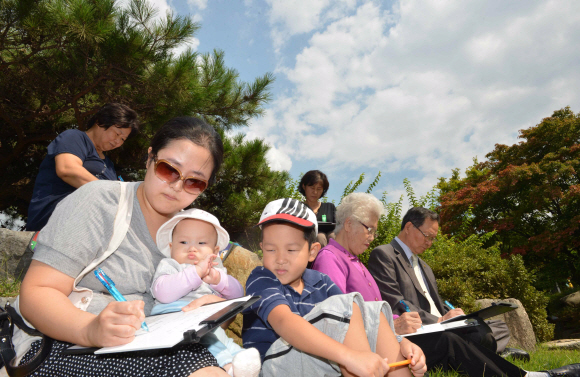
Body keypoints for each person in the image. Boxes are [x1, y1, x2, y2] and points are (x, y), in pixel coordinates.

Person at [17, 116, 231, 376]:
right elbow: (38, 292)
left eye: (194, 182)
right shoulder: (100, 202)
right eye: (168, 169)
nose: (176, 186)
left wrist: (213, 310)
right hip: (61, 343)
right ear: (150, 158)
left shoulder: (195, 233)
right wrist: (91, 329)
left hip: (155, 346)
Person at [313, 194, 580, 377]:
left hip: (390, 337)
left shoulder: (355, 261)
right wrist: (393, 326)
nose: (373, 236)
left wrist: (398, 320)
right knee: (447, 340)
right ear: (348, 224)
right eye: (369, 228)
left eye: (374, 230)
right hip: (375, 344)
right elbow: (341, 317)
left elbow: (380, 307)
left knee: (459, 333)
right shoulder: (330, 258)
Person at [242, 198, 427, 377]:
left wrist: (401, 343)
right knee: (344, 306)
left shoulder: (321, 281)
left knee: (368, 310)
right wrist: (349, 357)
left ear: (312, 251)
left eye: (291, 250)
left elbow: (356, 316)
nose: (280, 259)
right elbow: (284, 322)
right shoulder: (261, 278)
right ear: (261, 248)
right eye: (270, 249)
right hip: (274, 367)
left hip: (317, 363)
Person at [368, 207, 515, 355]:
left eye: (433, 239)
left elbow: (435, 302)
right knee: (476, 333)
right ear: (408, 227)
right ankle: (487, 350)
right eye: (427, 236)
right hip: (423, 329)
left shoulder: (424, 266)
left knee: (498, 327)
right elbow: (395, 302)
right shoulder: (384, 255)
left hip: (444, 326)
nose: (429, 243)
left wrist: (455, 314)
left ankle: (478, 349)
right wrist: (439, 320)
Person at [150, 208, 260, 377]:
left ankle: (242, 362)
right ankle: (228, 367)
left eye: (201, 243)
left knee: (224, 340)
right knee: (209, 340)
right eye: (183, 243)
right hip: (174, 317)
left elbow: (238, 295)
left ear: (215, 252)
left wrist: (218, 280)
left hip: (208, 319)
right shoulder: (170, 265)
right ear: (171, 247)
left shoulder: (215, 270)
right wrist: (195, 273)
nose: (192, 249)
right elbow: (162, 293)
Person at [27, 103, 139, 231]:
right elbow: (68, 170)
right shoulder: (74, 137)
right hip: (54, 220)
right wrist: (113, 195)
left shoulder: (109, 166)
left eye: (123, 139)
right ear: (100, 122)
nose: (118, 141)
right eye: (117, 134)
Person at [299, 170, 336, 247]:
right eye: (312, 188)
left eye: (319, 189)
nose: (315, 192)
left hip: (330, 243)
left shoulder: (330, 207)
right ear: (304, 186)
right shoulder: (298, 207)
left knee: (333, 236)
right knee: (320, 237)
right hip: (305, 243)